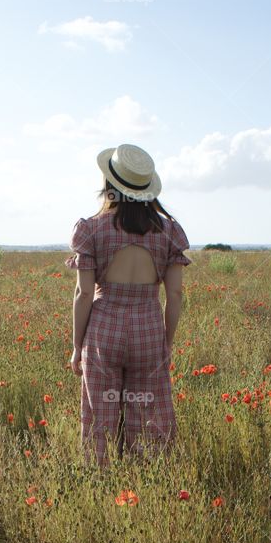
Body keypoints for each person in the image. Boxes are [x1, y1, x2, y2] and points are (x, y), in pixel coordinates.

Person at [65, 143, 191, 468]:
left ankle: (101, 479)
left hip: (104, 329)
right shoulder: (170, 231)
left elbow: (83, 293)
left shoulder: (90, 229)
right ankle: (144, 481)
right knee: (148, 415)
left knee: (100, 417)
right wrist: (166, 344)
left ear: (110, 184)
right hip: (148, 329)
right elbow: (174, 296)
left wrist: (77, 347)